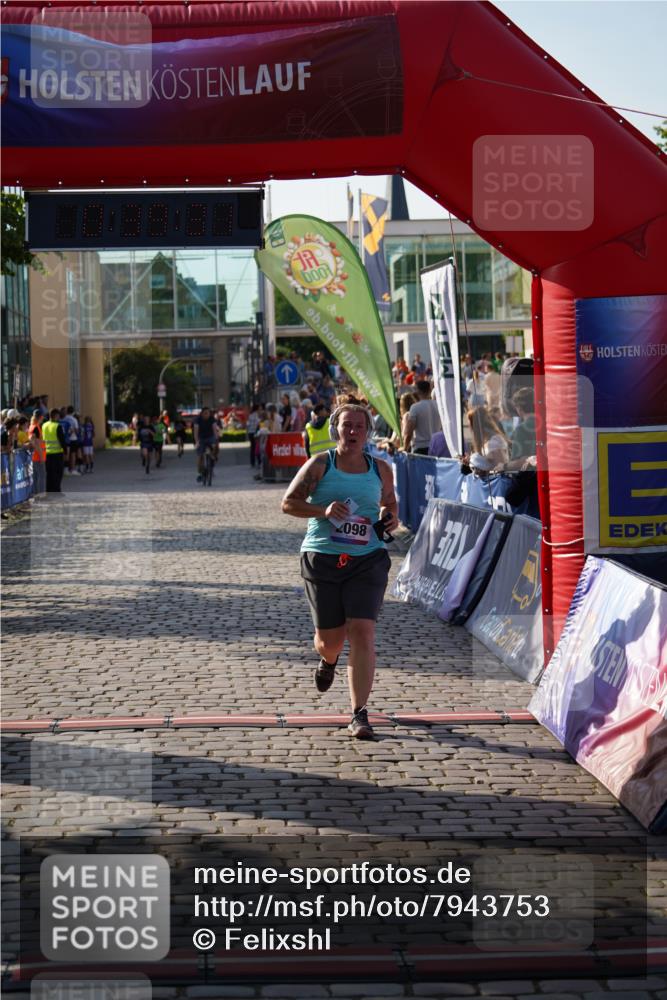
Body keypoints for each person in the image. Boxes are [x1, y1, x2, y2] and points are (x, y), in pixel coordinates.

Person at [281, 398, 398, 741]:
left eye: (359, 426)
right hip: (323, 558)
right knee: (329, 641)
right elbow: (288, 503)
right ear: (336, 430)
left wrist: (388, 518)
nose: (352, 431)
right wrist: (323, 510)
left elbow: (390, 505)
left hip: (368, 559)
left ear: (367, 433)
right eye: (347, 425)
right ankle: (328, 661)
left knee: (362, 631)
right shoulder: (320, 464)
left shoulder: (380, 469)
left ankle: (359, 713)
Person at [465, 406, 510, 471]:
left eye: (470, 424)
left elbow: (501, 469)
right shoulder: (485, 441)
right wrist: (470, 462)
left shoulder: (494, 441)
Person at [403, 381, 441, 455]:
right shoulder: (438, 406)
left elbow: (409, 432)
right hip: (436, 446)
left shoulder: (415, 407)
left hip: (421, 448)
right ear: (430, 390)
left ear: (418, 391)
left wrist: (405, 448)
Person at [42, 407, 67, 492]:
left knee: (49, 474)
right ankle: (57, 491)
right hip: (57, 453)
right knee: (58, 474)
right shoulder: (57, 426)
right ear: (56, 416)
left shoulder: (44, 425)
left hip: (47, 453)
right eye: (58, 416)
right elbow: (62, 440)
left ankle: (49, 491)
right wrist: (66, 451)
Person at [193, 406, 217, 482]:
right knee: (200, 456)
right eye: (205, 413)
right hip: (201, 438)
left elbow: (214, 429)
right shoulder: (197, 420)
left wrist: (216, 439)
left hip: (210, 436)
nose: (207, 415)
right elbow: (196, 432)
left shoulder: (212, 419)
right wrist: (197, 442)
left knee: (214, 446)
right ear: (202, 414)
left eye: (208, 413)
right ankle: (199, 473)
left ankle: (212, 459)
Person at [246, 403, 261, 468]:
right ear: (257, 409)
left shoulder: (250, 415)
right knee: (257, 447)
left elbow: (248, 424)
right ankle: (259, 461)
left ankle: (252, 462)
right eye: (260, 408)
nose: (260, 410)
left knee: (252, 448)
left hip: (250, 433)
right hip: (255, 433)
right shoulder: (257, 415)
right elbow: (258, 423)